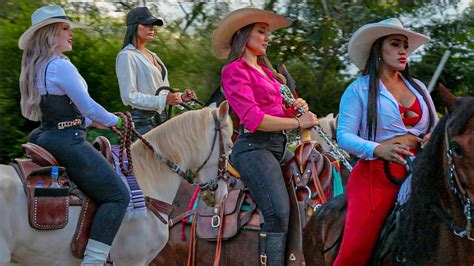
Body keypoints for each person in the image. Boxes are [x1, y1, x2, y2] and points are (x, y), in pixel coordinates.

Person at [18, 5, 130, 265]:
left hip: (46, 134)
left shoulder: (41, 66)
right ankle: (94, 261)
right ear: (49, 34)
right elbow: (88, 106)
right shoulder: (60, 67)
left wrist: (97, 123)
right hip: (68, 140)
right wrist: (116, 121)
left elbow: (73, 110)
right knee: (117, 196)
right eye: (65, 29)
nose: (71, 34)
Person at [212, 6, 319, 265]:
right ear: (243, 35)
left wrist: (296, 107)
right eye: (261, 31)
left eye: (267, 32)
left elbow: (279, 110)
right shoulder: (234, 71)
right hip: (253, 148)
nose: (267, 37)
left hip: (279, 145)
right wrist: (297, 121)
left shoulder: (270, 75)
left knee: (318, 181)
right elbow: (253, 119)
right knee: (278, 212)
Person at [335, 18, 439, 265]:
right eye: (395, 44)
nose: (403, 51)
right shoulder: (358, 90)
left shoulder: (419, 87)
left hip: (423, 171)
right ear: (378, 50)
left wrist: (431, 137)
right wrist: (378, 148)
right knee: (355, 250)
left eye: (405, 45)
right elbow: (344, 136)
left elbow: (436, 127)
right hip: (377, 176)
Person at [116, 6, 197, 134]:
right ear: (134, 26)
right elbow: (128, 96)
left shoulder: (153, 55)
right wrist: (164, 100)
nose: (152, 28)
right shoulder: (126, 55)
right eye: (146, 24)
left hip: (163, 120)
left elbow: (163, 92)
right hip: (143, 123)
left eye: (153, 24)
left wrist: (181, 97)